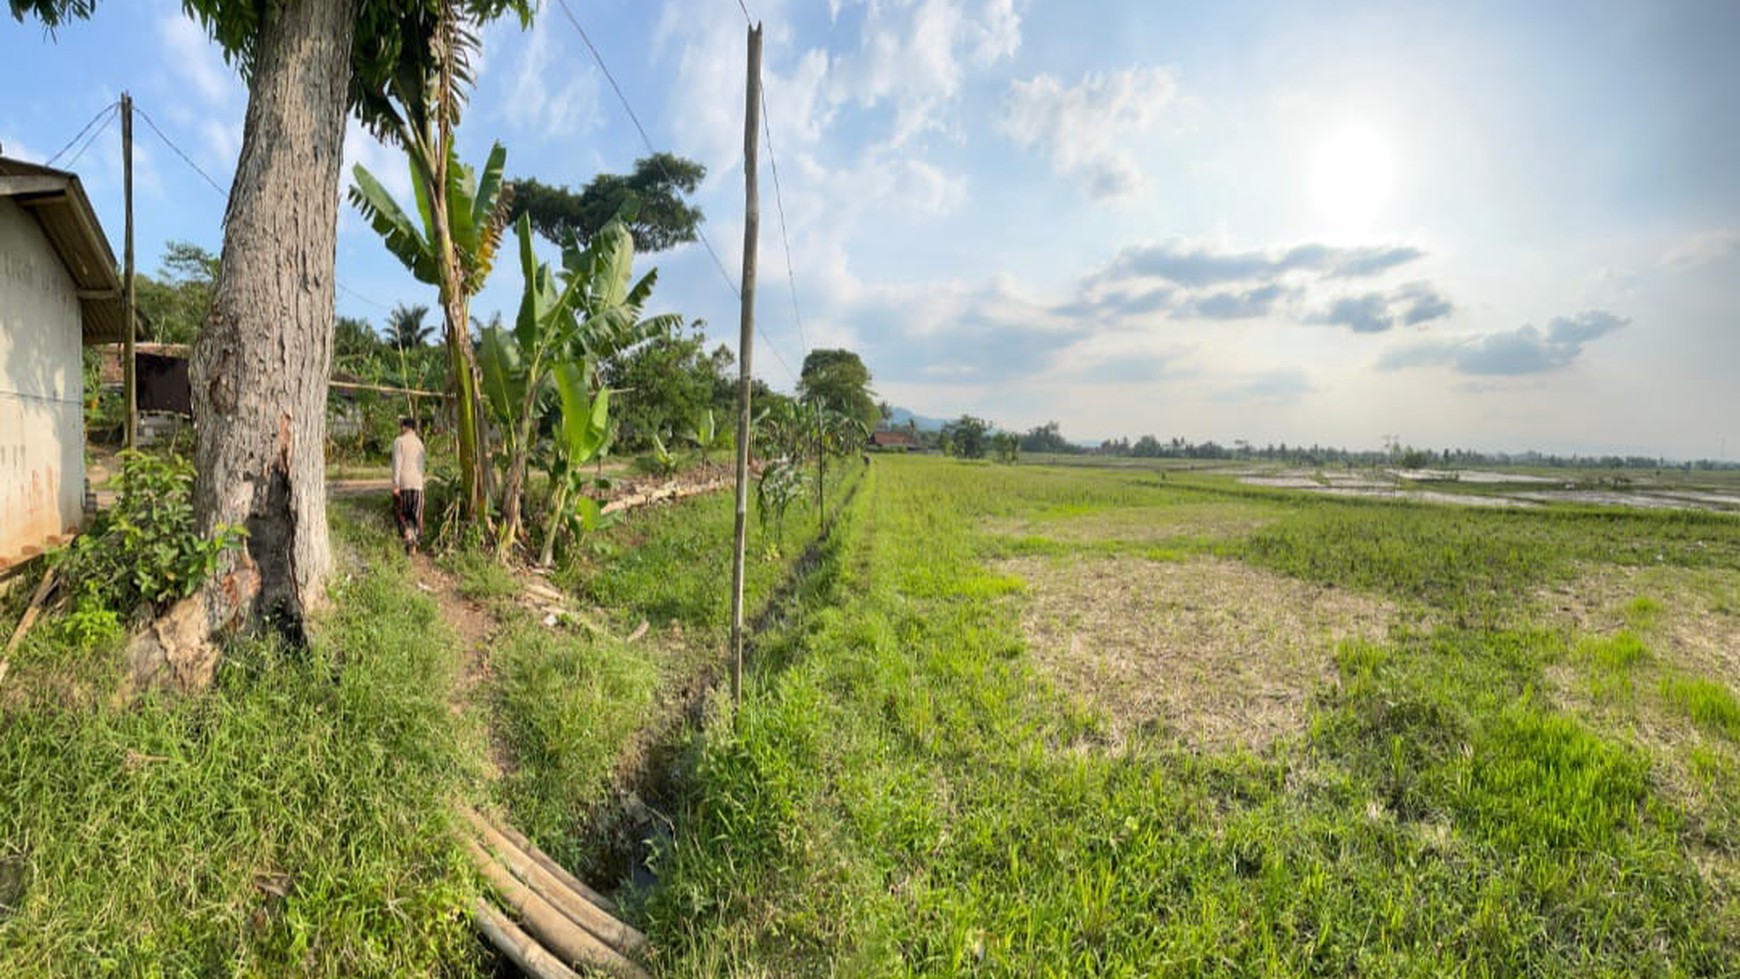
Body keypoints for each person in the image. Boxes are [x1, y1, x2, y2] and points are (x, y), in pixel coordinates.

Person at [391, 417, 426, 554]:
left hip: (404, 483)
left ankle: (408, 539)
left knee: (402, 514)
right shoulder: (419, 443)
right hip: (417, 484)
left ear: (405, 427)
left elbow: (397, 464)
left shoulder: (399, 442)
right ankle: (414, 544)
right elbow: (422, 465)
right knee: (415, 515)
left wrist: (395, 484)